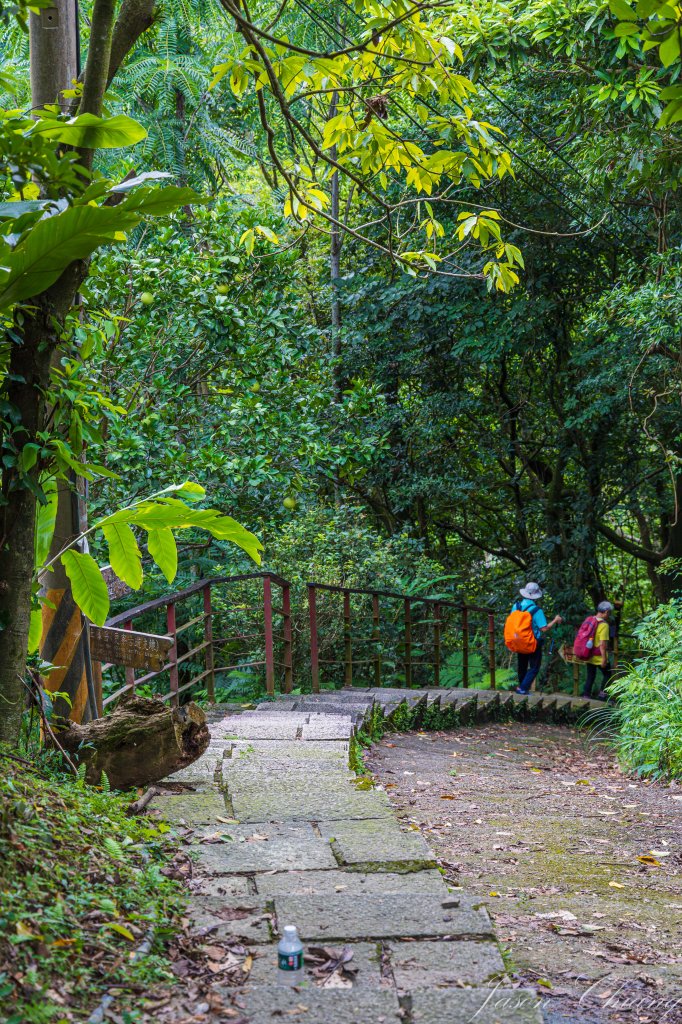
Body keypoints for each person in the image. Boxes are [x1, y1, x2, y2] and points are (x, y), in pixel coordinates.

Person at [511, 582, 563, 694]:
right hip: (532, 641)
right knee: (534, 667)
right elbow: (543, 628)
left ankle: (522, 688)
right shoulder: (536, 610)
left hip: (518, 639)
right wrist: (555, 620)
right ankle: (523, 688)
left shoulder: (516, 606)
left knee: (522, 665)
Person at [582, 600, 614, 700]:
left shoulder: (590, 619)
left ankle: (586, 695)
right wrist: (604, 658)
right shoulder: (604, 625)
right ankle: (602, 696)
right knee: (608, 674)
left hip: (589, 653)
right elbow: (602, 644)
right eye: (609, 613)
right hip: (598, 655)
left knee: (591, 675)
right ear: (606, 612)